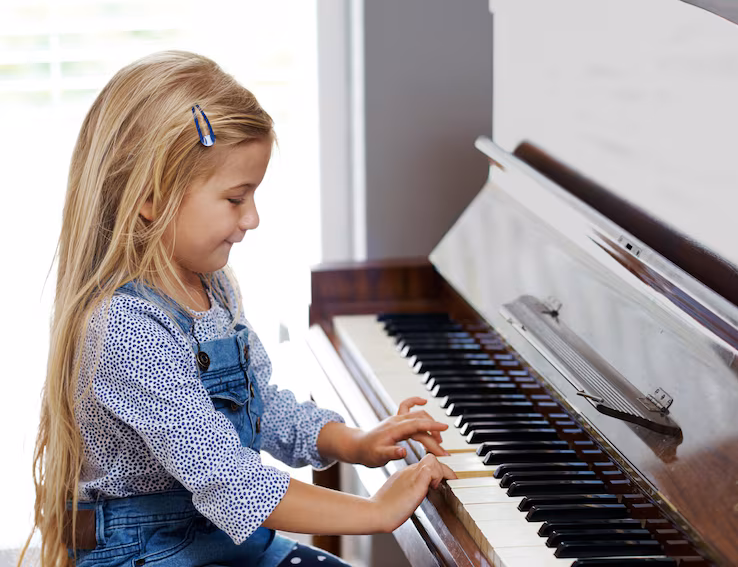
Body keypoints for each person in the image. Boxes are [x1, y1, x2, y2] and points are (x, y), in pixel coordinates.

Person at [20, 51, 456, 567]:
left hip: (227, 540)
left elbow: (259, 406)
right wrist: (373, 512)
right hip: (150, 554)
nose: (252, 218)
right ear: (152, 196)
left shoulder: (213, 287)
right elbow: (226, 477)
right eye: (235, 198)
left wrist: (354, 442)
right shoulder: (124, 328)